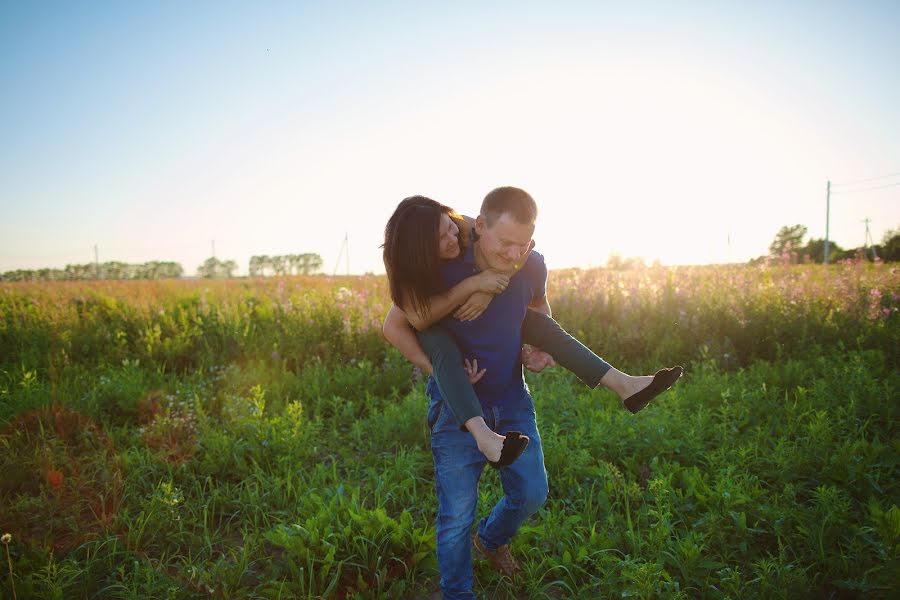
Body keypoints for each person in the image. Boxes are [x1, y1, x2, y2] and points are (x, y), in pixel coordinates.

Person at [382, 188, 682, 598]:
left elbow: (540, 312)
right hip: (455, 403)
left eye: (522, 244)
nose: (513, 253)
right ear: (484, 229)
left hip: (510, 397)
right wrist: (475, 287)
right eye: (505, 244)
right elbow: (406, 321)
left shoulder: (528, 261)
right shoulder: (435, 271)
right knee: (456, 515)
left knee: (532, 493)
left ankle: (489, 540)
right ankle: (457, 593)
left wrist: (535, 347)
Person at [382, 196, 682, 466]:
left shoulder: (463, 227)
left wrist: (490, 287)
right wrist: (472, 287)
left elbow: (523, 245)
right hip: (438, 333)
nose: (454, 237)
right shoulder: (410, 272)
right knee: (440, 341)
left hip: (487, 339)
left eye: (449, 225)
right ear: (420, 251)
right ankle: (483, 436)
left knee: (538, 324)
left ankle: (625, 385)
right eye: (441, 238)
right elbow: (411, 322)